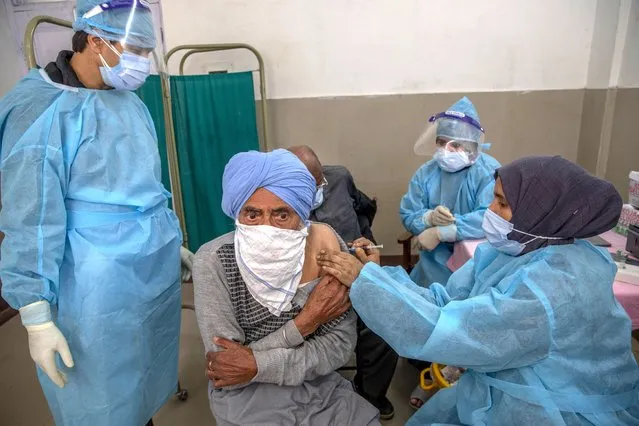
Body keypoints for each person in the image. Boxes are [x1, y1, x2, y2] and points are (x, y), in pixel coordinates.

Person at [318, 156, 639, 425]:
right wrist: (378, 276)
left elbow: (450, 332)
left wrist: (366, 282)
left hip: (556, 406)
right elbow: (445, 301)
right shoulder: (509, 251)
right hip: (505, 386)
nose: (490, 211)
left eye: (502, 203)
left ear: (542, 212)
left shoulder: (554, 286)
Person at [0, 1, 193, 425]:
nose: (142, 62)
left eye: (146, 51)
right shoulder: (39, 110)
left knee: (141, 378)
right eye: (136, 50)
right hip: (91, 284)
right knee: (100, 395)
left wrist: (170, 238)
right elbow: (28, 218)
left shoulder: (128, 102)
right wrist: (34, 313)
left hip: (147, 268)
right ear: (95, 40)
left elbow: (147, 182)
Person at [193, 149, 380, 425]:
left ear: (303, 216)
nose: (267, 228)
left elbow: (339, 345)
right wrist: (306, 323)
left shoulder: (325, 247)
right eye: (252, 215)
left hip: (317, 386)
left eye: (282, 216)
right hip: (247, 397)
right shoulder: (214, 261)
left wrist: (256, 363)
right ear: (237, 213)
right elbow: (227, 370)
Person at [288, 145, 398, 420]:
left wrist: (367, 245)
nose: (317, 190)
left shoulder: (338, 178)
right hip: (307, 292)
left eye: (319, 182)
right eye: (306, 186)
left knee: (384, 329)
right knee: (312, 343)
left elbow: (363, 207)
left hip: (356, 275)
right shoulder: (279, 203)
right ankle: (323, 400)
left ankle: (370, 394)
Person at [400, 96, 500, 287]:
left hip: (477, 261)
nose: (446, 150)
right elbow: (408, 213)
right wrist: (428, 218)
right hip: (433, 263)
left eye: (455, 144)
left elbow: (491, 216)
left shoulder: (488, 172)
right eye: (441, 142)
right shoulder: (425, 174)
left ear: (471, 145)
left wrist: (444, 232)